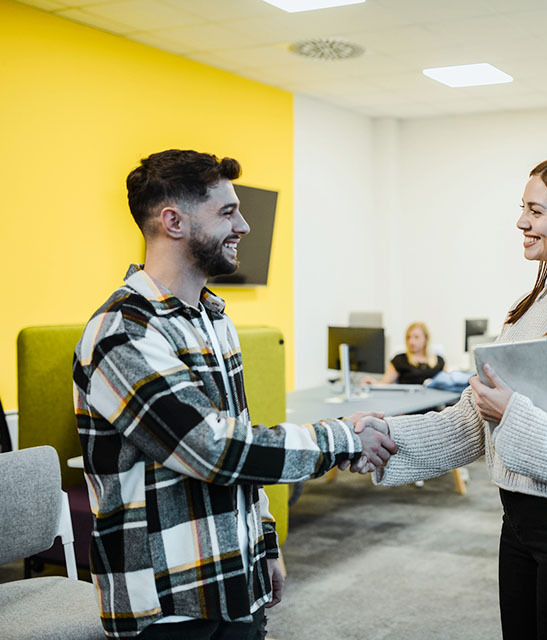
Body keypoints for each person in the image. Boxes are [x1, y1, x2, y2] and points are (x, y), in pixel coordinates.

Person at [73, 149, 397, 639]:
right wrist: (343, 439)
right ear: (173, 221)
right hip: (166, 601)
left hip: (232, 582)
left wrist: (264, 545)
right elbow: (213, 449)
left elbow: (240, 440)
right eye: (227, 212)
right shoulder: (123, 332)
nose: (243, 226)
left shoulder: (214, 319)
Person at [351, 156, 547, 639]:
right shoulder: (527, 313)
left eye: (536, 211)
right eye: (523, 209)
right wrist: (389, 435)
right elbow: (476, 419)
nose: (521, 222)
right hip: (518, 522)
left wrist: (515, 415)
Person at [362, 321, 446, 386]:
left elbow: (449, 381)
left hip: (436, 404)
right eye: (408, 337)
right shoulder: (400, 360)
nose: (411, 341)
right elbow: (384, 384)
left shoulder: (438, 360)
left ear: (426, 339)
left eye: (416, 337)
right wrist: (372, 384)